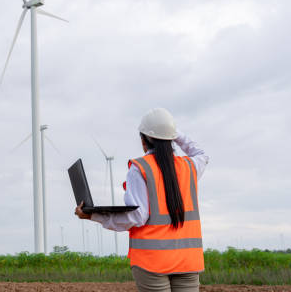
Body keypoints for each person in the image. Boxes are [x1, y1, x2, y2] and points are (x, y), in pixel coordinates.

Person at [75, 108, 209, 292]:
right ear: (171, 139)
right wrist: (172, 132)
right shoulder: (190, 167)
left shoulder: (140, 168)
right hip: (187, 261)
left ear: (143, 140)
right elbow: (201, 153)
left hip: (152, 262)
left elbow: (137, 217)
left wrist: (94, 216)